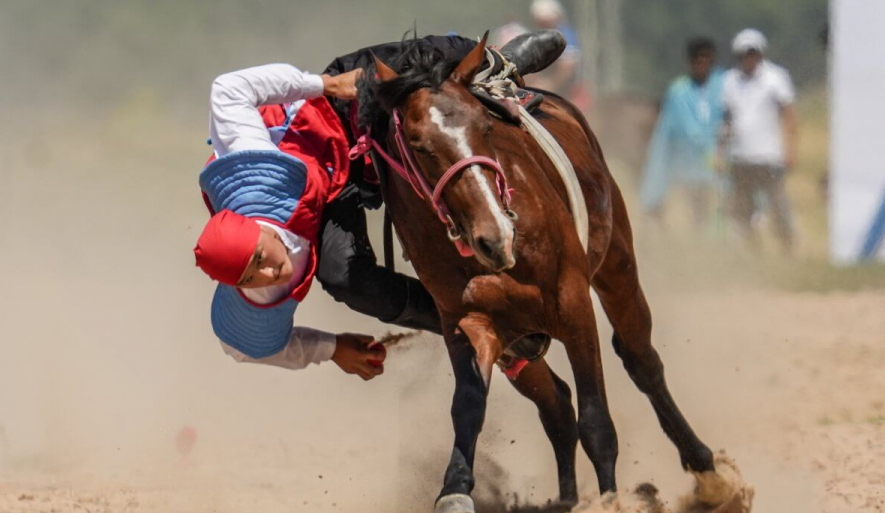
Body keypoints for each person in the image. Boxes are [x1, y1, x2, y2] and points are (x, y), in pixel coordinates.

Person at [192, 33, 565, 379]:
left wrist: (324, 85)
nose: (271, 272)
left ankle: (499, 62)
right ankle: (482, 323)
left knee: (391, 77)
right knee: (347, 281)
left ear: (259, 230)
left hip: (330, 116)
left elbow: (228, 88)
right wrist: (332, 348)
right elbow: (242, 348)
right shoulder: (257, 290)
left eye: (261, 257)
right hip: (330, 188)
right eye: (250, 278)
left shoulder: (252, 159)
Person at [720, 28, 798, 251]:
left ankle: (787, 246)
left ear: (760, 53)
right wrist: (719, 152)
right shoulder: (730, 81)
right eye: (744, 53)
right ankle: (754, 250)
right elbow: (726, 121)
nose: (749, 58)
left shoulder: (775, 78)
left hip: (769, 156)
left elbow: (790, 115)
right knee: (742, 209)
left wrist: (790, 149)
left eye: (752, 53)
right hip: (740, 157)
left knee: (778, 205)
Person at [640, 37, 725, 228]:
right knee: (694, 213)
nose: (701, 63)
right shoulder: (678, 91)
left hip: (720, 165)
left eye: (706, 58)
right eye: (696, 58)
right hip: (687, 167)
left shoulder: (724, 85)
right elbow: (670, 135)